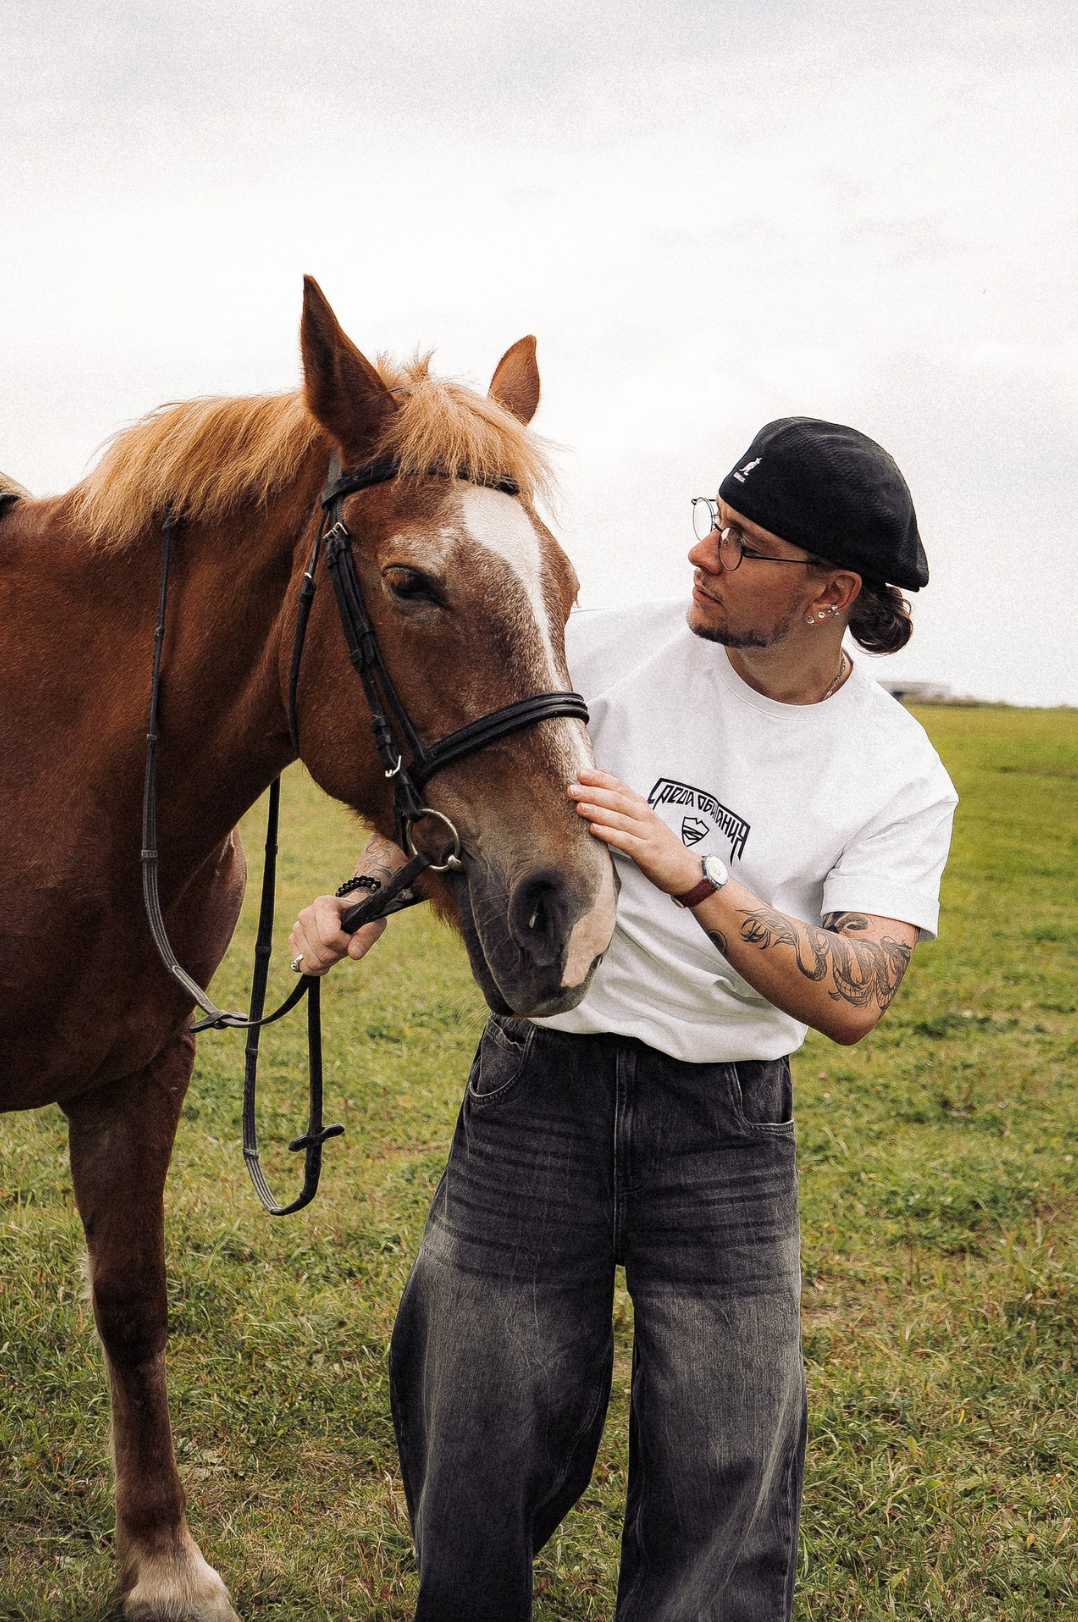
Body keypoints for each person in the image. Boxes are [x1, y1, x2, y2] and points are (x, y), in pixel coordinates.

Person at [289, 417, 957, 1621]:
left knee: (724, 1456)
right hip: (538, 1089)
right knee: (473, 1425)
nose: (703, 552)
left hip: (723, 1130)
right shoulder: (604, 649)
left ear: (830, 593)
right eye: (714, 519)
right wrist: (367, 886)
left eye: (742, 542)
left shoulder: (894, 772)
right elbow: (471, 766)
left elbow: (857, 991)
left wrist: (693, 875)